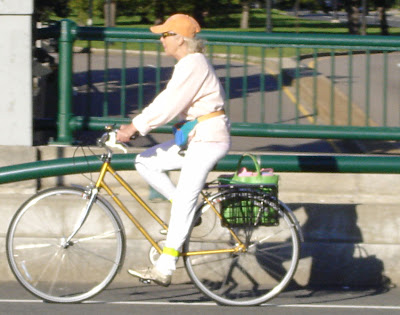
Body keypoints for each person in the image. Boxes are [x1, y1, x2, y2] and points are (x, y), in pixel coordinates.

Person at [116, 13, 231, 287]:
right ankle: (190, 214)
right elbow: (168, 102)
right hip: (197, 138)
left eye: (165, 35)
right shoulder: (189, 64)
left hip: (208, 140)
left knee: (182, 203)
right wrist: (136, 125)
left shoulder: (193, 64)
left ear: (181, 39)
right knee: (145, 162)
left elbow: (168, 104)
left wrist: (134, 127)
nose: (161, 40)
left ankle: (165, 268)